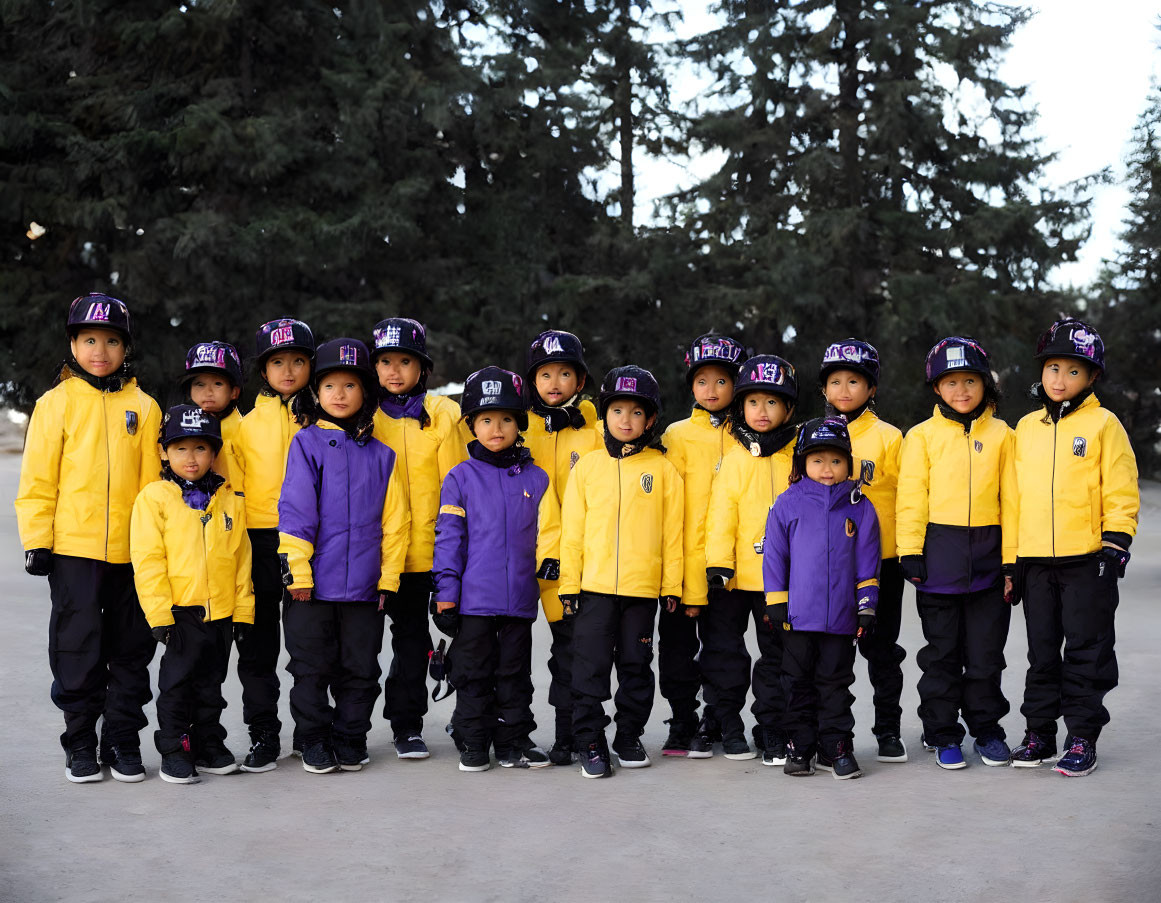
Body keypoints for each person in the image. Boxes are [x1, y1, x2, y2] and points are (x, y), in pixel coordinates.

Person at [16, 293, 162, 784]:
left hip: (132, 552)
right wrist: (37, 539)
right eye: (90, 339)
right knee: (77, 645)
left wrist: (156, 545)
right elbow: (38, 480)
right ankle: (79, 739)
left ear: (126, 348)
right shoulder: (53, 405)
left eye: (112, 341)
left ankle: (121, 738)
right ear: (73, 344)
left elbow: (152, 489)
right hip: (73, 549)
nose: (100, 350)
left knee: (130, 647)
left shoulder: (144, 407)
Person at [1010, 319, 1139, 776]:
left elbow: (1121, 492)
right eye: (1052, 369)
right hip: (1037, 562)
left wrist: (1114, 547)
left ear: (1092, 377)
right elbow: (1014, 497)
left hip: (1088, 561)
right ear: (1041, 371)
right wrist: (1014, 560)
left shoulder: (1105, 425)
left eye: (1072, 372)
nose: (1060, 380)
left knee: (1087, 651)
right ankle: (1040, 733)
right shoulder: (1025, 428)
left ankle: (1082, 736)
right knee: (1041, 652)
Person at [278, 339, 410, 774]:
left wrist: (388, 580)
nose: (338, 394)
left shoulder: (383, 456)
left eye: (349, 386)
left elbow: (397, 523)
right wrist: (297, 573)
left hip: (364, 590)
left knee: (360, 670)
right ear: (317, 393)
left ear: (366, 395)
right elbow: (296, 513)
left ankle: (351, 738)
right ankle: (313, 739)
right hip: (313, 588)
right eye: (329, 385)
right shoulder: (307, 444)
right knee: (311, 670)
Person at [432, 366, 562, 772]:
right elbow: (449, 538)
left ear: (519, 424)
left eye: (506, 419)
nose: (496, 427)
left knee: (514, 676)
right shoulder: (460, 477)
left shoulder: (537, 479)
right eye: (486, 419)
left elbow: (551, 536)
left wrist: (552, 579)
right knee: (472, 675)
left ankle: (512, 741)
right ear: (471, 425)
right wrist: (447, 594)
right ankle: (473, 740)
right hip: (473, 602)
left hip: (519, 602)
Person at [896, 337, 1017, 770]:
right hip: (938, 563)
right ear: (935, 388)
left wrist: (1012, 561)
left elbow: (1013, 501)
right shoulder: (922, 437)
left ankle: (987, 729)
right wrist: (909, 551)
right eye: (950, 382)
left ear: (986, 384)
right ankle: (942, 731)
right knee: (941, 656)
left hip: (989, 565)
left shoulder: (1004, 435)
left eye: (970, 381)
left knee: (985, 656)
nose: (961, 391)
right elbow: (912, 496)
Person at [559, 366, 684, 778]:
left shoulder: (663, 470)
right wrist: (570, 584)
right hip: (593, 589)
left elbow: (672, 534)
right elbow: (572, 532)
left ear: (650, 420)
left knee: (636, 665)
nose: (625, 420)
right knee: (589, 667)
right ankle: (590, 741)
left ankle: (628, 735)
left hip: (641, 592)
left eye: (636, 412)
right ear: (604, 416)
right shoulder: (588, 468)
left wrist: (671, 585)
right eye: (617, 411)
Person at [130, 405, 255, 783]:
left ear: (213, 453)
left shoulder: (229, 499)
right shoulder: (154, 499)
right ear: (164, 452)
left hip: (220, 612)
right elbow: (148, 559)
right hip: (181, 612)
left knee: (211, 684)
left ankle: (208, 743)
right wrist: (159, 615)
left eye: (200, 448)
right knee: (177, 685)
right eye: (180, 448)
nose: (191, 457)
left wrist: (243, 611)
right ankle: (175, 749)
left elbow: (241, 557)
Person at [371, 317, 467, 759]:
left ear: (422, 368)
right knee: (410, 642)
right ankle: (406, 725)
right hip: (394, 556)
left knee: (469, 638)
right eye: (385, 362)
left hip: (445, 548)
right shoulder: (364, 416)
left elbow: (460, 481)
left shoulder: (445, 414)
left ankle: (470, 718)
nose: (394, 371)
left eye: (404, 361)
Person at [763, 417, 880, 779]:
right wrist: (776, 600)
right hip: (798, 616)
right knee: (796, 683)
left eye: (835, 461)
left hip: (841, 618)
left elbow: (868, 559)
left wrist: (866, 607)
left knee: (835, 684)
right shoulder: (787, 503)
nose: (827, 469)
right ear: (802, 464)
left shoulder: (859, 506)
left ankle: (837, 746)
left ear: (848, 463)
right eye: (817, 460)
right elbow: (775, 555)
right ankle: (801, 745)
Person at [231, 317, 316, 771]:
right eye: (277, 362)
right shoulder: (244, 427)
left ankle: (310, 731)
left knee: (309, 646)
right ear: (263, 371)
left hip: (310, 540)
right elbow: (235, 491)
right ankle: (264, 733)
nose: (288, 371)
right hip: (260, 540)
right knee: (258, 648)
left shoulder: (322, 417)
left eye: (298, 361)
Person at [704, 354, 798, 764]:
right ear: (741, 406)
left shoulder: (798, 455)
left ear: (789, 409)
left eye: (773, 403)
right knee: (726, 653)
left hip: (777, 579)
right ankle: (728, 723)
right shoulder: (736, 460)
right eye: (754, 402)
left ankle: (772, 728)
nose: (763, 412)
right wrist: (718, 563)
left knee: (777, 656)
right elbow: (721, 513)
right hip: (733, 576)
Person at [819, 338, 907, 763]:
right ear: (823, 389)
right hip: (829, 564)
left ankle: (888, 729)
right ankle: (832, 733)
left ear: (871, 389)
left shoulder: (890, 437)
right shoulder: (812, 437)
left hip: (881, 562)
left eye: (854, 381)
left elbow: (908, 498)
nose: (844, 389)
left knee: (882, 650)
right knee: (831, 652)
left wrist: (909, 550)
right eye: (835, 381)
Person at [659, 333, 745, 758]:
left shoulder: (750, 435)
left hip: (730, 565)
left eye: (721, 381)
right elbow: (665, 504)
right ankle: (682, 718)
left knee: (724, 649)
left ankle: (720, 718)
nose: (711, 391)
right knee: (676, 650)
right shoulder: (676, 435)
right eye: (701, 381)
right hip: (681, 563)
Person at [520, 330, 602, 765]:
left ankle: (569, 733)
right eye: (545, 374)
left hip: (571, 558)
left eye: (565, 373)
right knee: (502, 645)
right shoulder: (515, 425)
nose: (554, 382)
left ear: (581, 381)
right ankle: (494, 726)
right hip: (513, 553)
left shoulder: (596, 430)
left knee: (569, 649)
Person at [178, 340, 245, 485]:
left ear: (234, 391)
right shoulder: (176, 427)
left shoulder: (248, 431)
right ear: (189, 391)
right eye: (200, 384)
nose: (208, 392)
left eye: (218, 384)